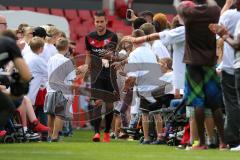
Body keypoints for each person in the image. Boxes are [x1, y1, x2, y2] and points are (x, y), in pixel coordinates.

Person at [177, 0, 227, 150]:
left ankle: (202, 143)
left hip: (193, 64)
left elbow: (179, 6)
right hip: (209, 62)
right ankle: (223, 142)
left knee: (198, 102)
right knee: (215, 104)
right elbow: (215, 6)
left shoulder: (188, 12)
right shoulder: (213, 11)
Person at [209, 0, 240, 151]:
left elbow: (217, 31)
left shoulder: (228, 15)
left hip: (230, 66)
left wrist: (227, 5)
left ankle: (233, 139)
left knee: (232, 105)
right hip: (232, 64)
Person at [84, 10, 118, 142]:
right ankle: (96, 133)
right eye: (97, 21)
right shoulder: (88, 37)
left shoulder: (112, 36)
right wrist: (86, 67)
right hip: (96, 74)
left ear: (106, 21)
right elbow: (88, 54)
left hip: (109, 74)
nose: (99, 24)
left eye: (101, 21)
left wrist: (109, 57)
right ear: (94, 22)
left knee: (109, 105)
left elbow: (112, 55)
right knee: (97, 103)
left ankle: (107, 132)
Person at [44, 38, 76, 142]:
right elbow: (72, 78)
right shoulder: (67, 61)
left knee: (50, 114)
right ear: (67, 48)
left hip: (50, 90)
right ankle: (55, 136)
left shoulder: (51, 59)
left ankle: (49, 134)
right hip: (62, 90)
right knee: (60, 114)